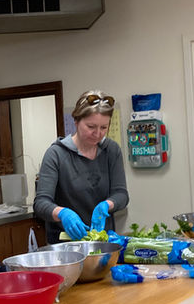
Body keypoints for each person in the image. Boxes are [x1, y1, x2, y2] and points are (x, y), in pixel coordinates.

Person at [34, 90, 129, 244]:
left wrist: (107, 205)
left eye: (104, 128)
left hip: (102, 242)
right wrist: (62, 213)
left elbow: (121, 194)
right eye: (91, 127)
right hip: (66, 246)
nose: (97, 134)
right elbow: (41, 203)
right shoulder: (56, 154)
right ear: (76, 121)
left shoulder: (111, 150)